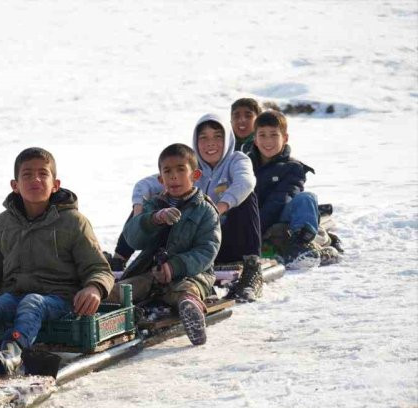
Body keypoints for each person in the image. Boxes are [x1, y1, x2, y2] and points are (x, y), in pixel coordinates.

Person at [0, 147, 114, 374]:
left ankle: (13, 352)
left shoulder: (74, 222)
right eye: (27, 174)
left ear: (55, 184)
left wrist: (94, 288)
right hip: (14, 296)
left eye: (43, 174)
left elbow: (98, 267)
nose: (35, 179)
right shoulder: (0, 225)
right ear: (15, 185)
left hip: (59, 300)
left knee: (32, 303)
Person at [118, 112, 263, 301]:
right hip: (190, 245)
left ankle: (252, 267)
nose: (210, 143)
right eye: (204, 138)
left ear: (227, 139)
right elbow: (144, 185)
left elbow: (245, 182)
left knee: (247, 197)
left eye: (217, 137)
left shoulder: (237, 160)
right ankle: (119, 257)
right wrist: (139, 210)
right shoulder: (186, 167)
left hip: (222, 239)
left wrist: (217, 209)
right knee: (151, 204)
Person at [109, 144, 221, 346]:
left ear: (195, 175)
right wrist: (153, 219)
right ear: (160, 179)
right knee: (116, 293)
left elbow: (207, 251)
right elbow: (132, 238)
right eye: (167, 172)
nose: (174, 177)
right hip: (151, 274)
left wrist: (174, 266)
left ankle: (193, 314)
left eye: (181, 169)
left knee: (186, 293)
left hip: (191, 274)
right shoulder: (154, 205)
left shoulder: (205, 210)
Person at [249, 110, 336, 269]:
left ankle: (300, 245)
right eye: (262, 135)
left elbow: (281, 199)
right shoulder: (245, 164)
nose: (268, 140)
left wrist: (256, 230)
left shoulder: (293, 168)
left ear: (285, 138)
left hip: (281, 219)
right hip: (254, 221)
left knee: (306, 198)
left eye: (274, 135)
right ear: (254, 139)